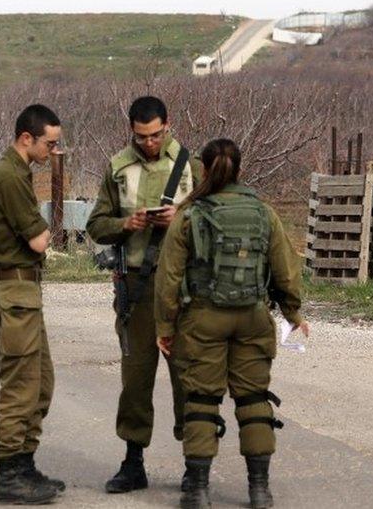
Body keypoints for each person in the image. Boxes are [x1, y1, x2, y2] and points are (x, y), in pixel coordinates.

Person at [154, 138, 308, 509]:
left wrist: (165, 326)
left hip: (204, 318)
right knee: (254, 398)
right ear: (239, 169)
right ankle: (258, 490)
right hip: (253, 316)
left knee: (203, 399)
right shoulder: (263, 212)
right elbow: (286, 271)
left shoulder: (189, 214)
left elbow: (169, 277)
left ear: (204, 170)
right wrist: (293, 314)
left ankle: (198, 491)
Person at [85, 96, 203, 493]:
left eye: (156, 135)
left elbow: (217, 218)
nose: (149, 143)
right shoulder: (118, 167)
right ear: (131, 130)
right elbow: (97, 225)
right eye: (141, 137)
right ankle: (133, 463)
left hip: (185, 289)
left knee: (188, 378)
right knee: (135, 380)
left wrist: (183, 216)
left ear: (168, 125)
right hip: (136, 286)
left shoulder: (192, 166)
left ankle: (195, 466)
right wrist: (126, 223)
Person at [0, 104, 64, 504]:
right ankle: (9, 473)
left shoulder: (18, 173)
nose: (52, 151)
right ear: (26, 138)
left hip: (23, 293)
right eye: (49, 143)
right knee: (20, 387)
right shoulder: (9, 177)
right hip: (13, 294)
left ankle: (25, 464)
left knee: (40, 382)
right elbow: (39, 240)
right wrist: (45, 225)